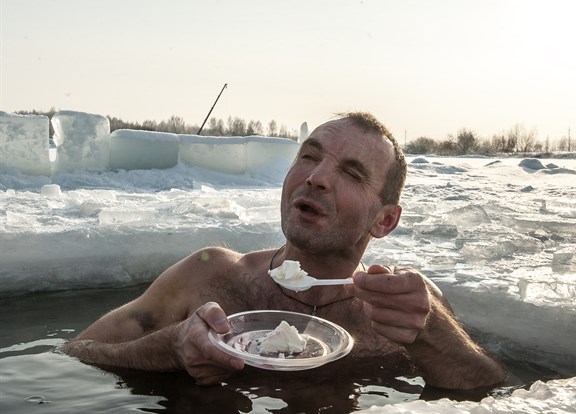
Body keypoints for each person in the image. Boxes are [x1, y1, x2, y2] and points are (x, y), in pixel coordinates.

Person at [62, 112, 506, 390]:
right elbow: (75, 353)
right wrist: (168, 348)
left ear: (384, 220)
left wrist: (431, 332)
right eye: (309, 157)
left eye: (351, 173)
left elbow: (490, 390)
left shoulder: (408, 303)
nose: (316, 177)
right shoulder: (209, 274)